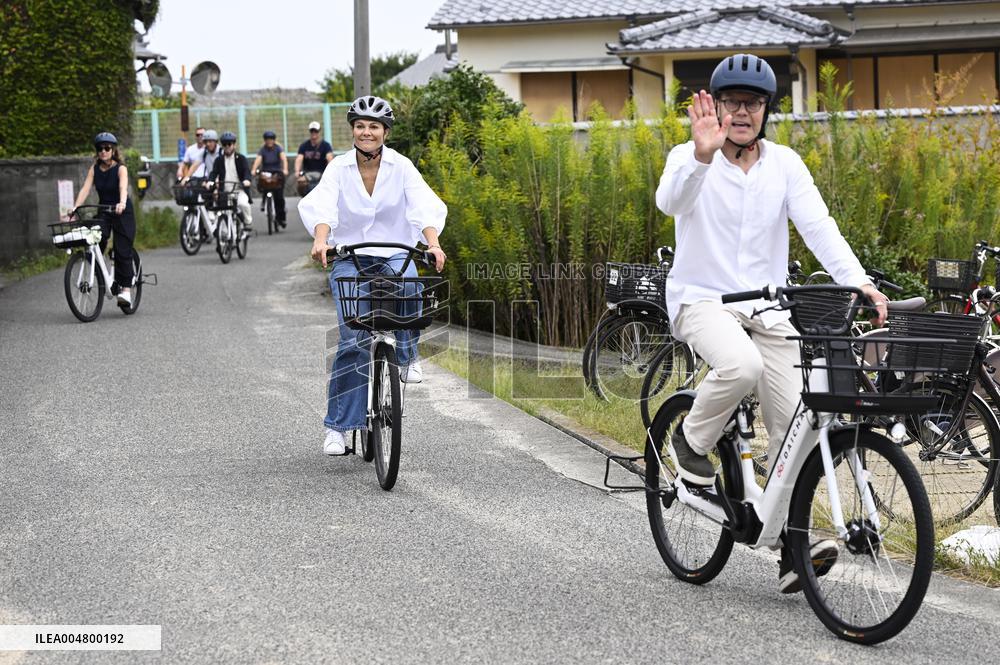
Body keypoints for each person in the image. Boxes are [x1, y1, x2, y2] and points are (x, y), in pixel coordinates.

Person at [655, 53, 890, 593]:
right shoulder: (689, 157)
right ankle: (690, 443)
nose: (743, 111)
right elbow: (670, 201)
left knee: (799, 421)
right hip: (703, 301)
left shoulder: (784, 164)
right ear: (715, 106)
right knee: (740, 365)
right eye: (733, 101)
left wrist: (859, 282)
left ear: (767, 110)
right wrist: (700, 154)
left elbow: (819, 226)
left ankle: (792, 547)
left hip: (767, 308)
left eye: (753, 102)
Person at [299, 96, 446, 456]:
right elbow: (323, 206)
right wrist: (321, 240)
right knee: (352, 341)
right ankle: (338, 428)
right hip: (349, 255)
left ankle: (407, 356)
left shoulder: (402, 166)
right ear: (353, 131)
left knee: (412, 286)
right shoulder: (338, 168)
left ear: (384, 132)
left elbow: (423, 205)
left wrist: (433, 243)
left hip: (395, 250)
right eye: (361, 126)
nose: (367, 132)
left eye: (374, 126)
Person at [72, 132, 137, 307]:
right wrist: (75, 206)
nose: (103, 151)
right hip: (104, 211)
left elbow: (123, 187)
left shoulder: (121, 168)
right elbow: (85, 189)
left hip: (122, 210)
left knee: (122, 249)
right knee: (95, 239)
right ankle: (100, 274)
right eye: (100, 148)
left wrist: (122, 202)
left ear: (113, 149)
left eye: (107, 148)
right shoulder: (94, 169)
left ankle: (126, 290)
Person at [206, 131, 254, 231]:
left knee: (243, 204)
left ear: (234, 145)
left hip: (238, 190)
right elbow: (214, 173)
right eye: (224, 144)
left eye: (229, 144)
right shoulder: (219, 160)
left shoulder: (241, 159)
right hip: (224, 191)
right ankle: (224, 233)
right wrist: (210, 181)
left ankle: (247, 222)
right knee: (222, 212)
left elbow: (246, 172)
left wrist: (246, 180)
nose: (227, 146)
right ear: (222, 146)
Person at [250, 130, 288, 226]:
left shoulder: (278, 148)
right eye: (267, 139)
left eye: (271, 139)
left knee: (279, 197)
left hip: (277, 173)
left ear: (274, 140)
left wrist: (285, 169)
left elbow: (284, 159)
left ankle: (281, 218)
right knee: (262, 184)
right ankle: (264, 201)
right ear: (265, 140)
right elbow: (258, 160)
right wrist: (254, 169)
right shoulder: (263, 150)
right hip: (266, 173)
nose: (269, 141)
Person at [295, 121, 333, 195]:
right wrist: (297, 171)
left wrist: (329, 172)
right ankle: (304, 198)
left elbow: (330, 158)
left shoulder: (326, 145)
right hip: (307, 173)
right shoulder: (304, 145)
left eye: (316, 131)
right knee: (301, 182)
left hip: (321, 173)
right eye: (312, 131)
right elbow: (299, 159)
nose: (314, 133)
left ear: (319, 132)